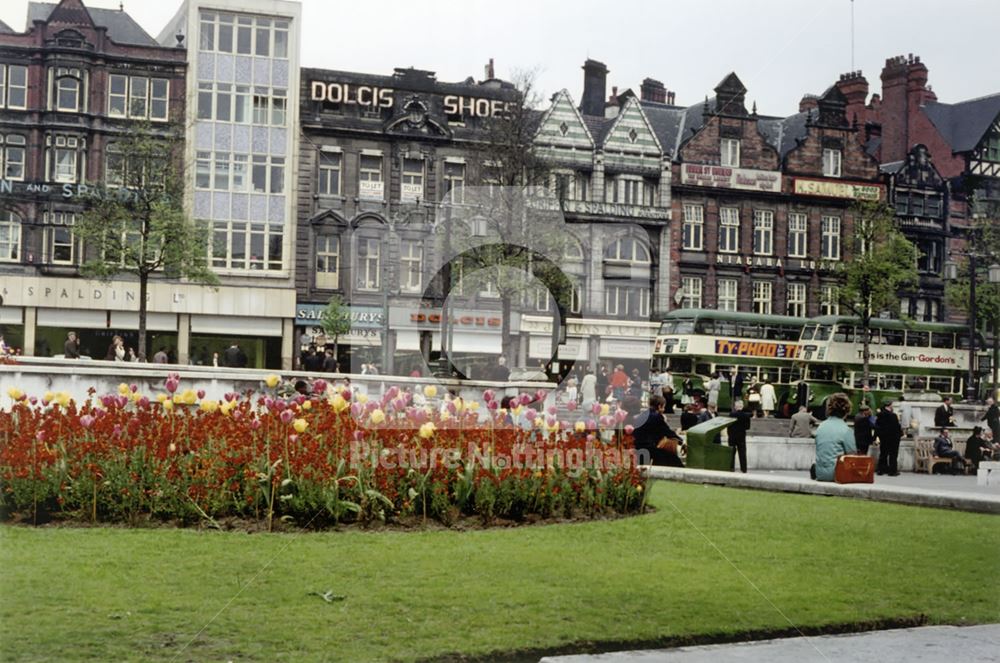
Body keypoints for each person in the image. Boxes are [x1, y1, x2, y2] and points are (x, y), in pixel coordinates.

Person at [811, 392, 857, 481]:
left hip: (819, 473)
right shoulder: (846, 430)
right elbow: (852, 455)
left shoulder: (821, 426)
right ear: (847, 411)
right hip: (837, 473)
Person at [631, 395, 684, 467]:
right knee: (673, 459)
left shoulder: (643, 415)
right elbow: (667, 432)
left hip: (637, 447)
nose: (664, 409)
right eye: (664, 407)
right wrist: (681, 441)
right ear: (659, 406)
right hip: (647, 449)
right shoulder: (656, 416)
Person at [875, 399, 903, 476]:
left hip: (883, 437)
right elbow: (896, 427)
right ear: (890, 405)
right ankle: (892, 471)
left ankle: (881, 470)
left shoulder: (880, 415)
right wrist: (900, 434)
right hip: (893, 438)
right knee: (893, 454)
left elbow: (877, 426)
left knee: (883, 453)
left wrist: (877, 436)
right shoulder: (893, 415)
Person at [727, 399, 753, 473]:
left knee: (731, 453)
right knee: (742, 453)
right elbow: (747, 427)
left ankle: (731, 468)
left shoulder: (731, 415)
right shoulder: (746, 416)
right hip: (741, 436)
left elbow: (729, 425)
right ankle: (743, 469)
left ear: (735, 407)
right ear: (742, 406)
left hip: (732, 435)